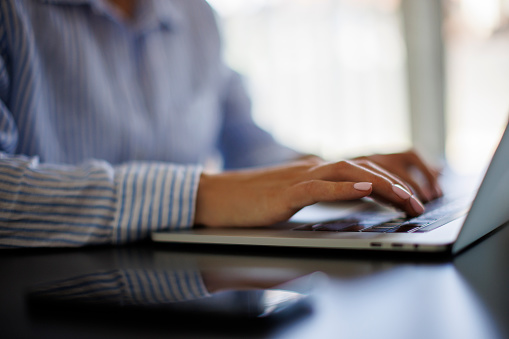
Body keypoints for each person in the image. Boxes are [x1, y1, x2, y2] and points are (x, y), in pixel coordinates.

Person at [0, 0, 441, 248]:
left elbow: (244, 142)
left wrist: (329, 174)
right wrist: (200, 195)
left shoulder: (196, 15)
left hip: (177, 292)